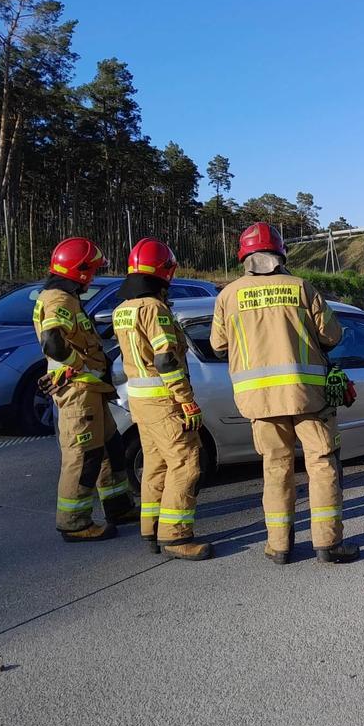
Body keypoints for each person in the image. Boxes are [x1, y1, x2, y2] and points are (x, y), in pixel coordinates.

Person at [210, 222, 359, 565]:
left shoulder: (228, 295)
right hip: (308, 397)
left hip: (259, 403)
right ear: (279, 254)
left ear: (244, 257)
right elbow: (332, 336)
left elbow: (218, 346)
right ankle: (328, 545)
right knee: (321, 466)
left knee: (276, 470)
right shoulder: (300, 288)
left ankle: (279, 546)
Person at [112, 238, 211, 560]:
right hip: (164, 400)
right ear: (165, 272)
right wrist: (186, 400)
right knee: (186, 463)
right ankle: (176, 536)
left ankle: (151, 528)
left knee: (155, 464)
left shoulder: (123, 309)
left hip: (140, 400)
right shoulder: (154, 309)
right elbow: (166, 359)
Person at [33, 237, 136, 541]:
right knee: (83, 455)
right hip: (78, 391)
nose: (93, 276)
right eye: (90, 270)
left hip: (91, 390)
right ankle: (74, 522)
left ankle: (118, 506)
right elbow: (53, 342)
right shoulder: (59, 300)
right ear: (78, 271)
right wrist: (83, 365)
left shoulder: (63, 297)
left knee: (110, 449)